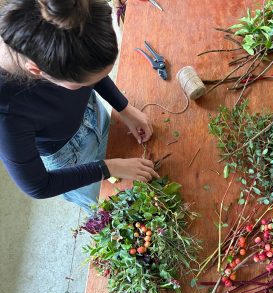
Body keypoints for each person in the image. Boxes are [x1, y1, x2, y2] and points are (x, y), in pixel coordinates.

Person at [0, 0, 159, 214]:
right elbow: (38, 186)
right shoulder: (7, 117)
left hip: (90, 113)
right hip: (69, 158)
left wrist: (124, 108)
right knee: (108, 207)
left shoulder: (62, 18)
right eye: (82, 84)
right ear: (38, 71)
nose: (89, 83)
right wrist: (107, 167)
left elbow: (89, 67)